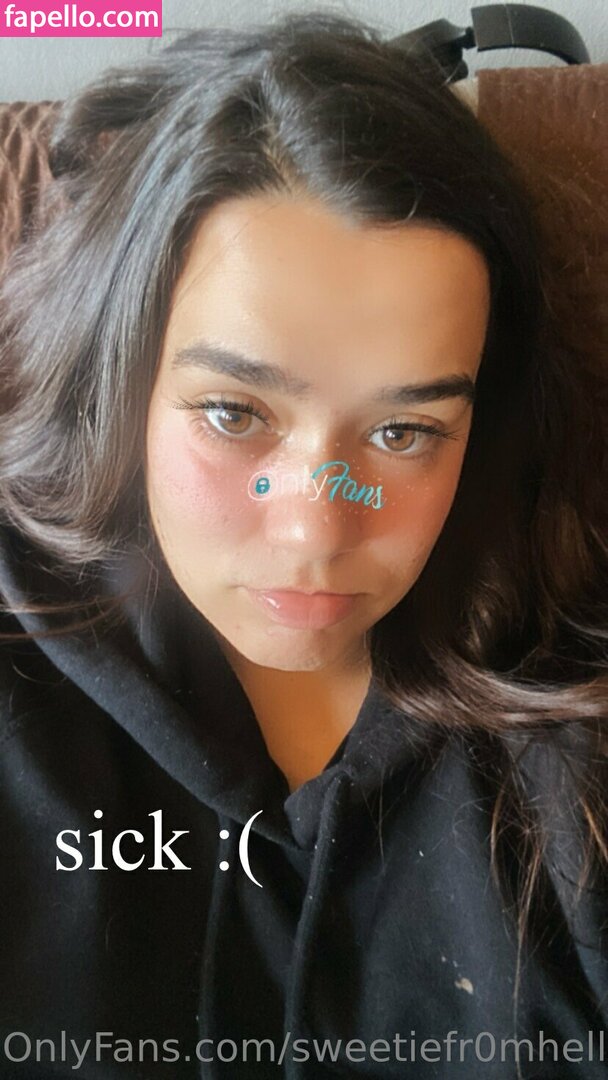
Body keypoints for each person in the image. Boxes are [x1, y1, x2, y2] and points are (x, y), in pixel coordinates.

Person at [0, 12, 606, 1080]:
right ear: (119, 376)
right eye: (234, 414)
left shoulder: (574, 709)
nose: (314, 531)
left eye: (403, 432)